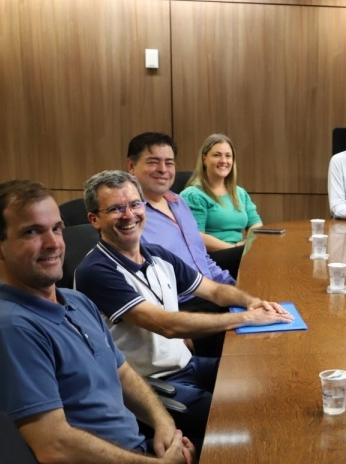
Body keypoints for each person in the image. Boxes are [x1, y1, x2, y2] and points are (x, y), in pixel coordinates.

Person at [0, 180, 194, 464]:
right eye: (32, 232)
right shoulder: (10, 331)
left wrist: (165, 427)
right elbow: (54, 446)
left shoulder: (78, 301)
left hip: (139, 450)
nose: (53, 243)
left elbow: (124, 374)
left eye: (56, 228)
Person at [74, 171, 293, 452]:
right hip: (152, 386)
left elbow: (213, 290)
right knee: (244, 417)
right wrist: (246, 317)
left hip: (188, 364)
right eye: (115, 209)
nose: (129, 215)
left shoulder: (156, 254)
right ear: (95, 219)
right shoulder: (96, 271)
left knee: (267, 381)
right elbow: (167, 325)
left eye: (134, 204)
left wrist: (252, 301)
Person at [126, 132, 237, 357]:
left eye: (169, 162)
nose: (163, 169)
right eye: (153, 162)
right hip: (181, 307)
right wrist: (173, 325)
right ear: (131, 166)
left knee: (269, 320)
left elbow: (202, 257)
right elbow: (140, 281)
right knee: (247, 347)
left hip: (212, 294)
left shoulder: (180, 203)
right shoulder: (131, 216)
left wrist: (233, 287)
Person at [181, 134, 263, 253]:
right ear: (204, 159)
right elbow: (196, 237)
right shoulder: (193, 195)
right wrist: (235, 249)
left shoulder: (239, 192)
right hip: (213, 257)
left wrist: (249, 243)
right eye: (216, 155)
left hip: (239, 252)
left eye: (228, 156)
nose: (223, 161)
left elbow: (256, 224)